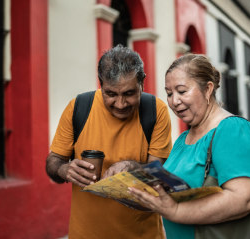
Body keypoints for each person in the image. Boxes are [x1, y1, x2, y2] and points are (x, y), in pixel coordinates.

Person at [128, 54, 250, 238]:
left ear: (208, 89)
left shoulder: (232, 129)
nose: (174, 101)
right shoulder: (183, 139)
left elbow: (245, 198)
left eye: (182, 91)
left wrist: (176, 211)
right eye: (169, 94)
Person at [46, 45, 173, 238]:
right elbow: (53, 162)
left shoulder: (156, 110)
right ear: (100, 84)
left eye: (129, 93)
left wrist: (132, 166)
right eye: (111, 94)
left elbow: (159, 172)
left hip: (143, 234)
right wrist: (63, 169)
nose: (120, 104)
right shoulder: (78, 108)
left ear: (142, 83)